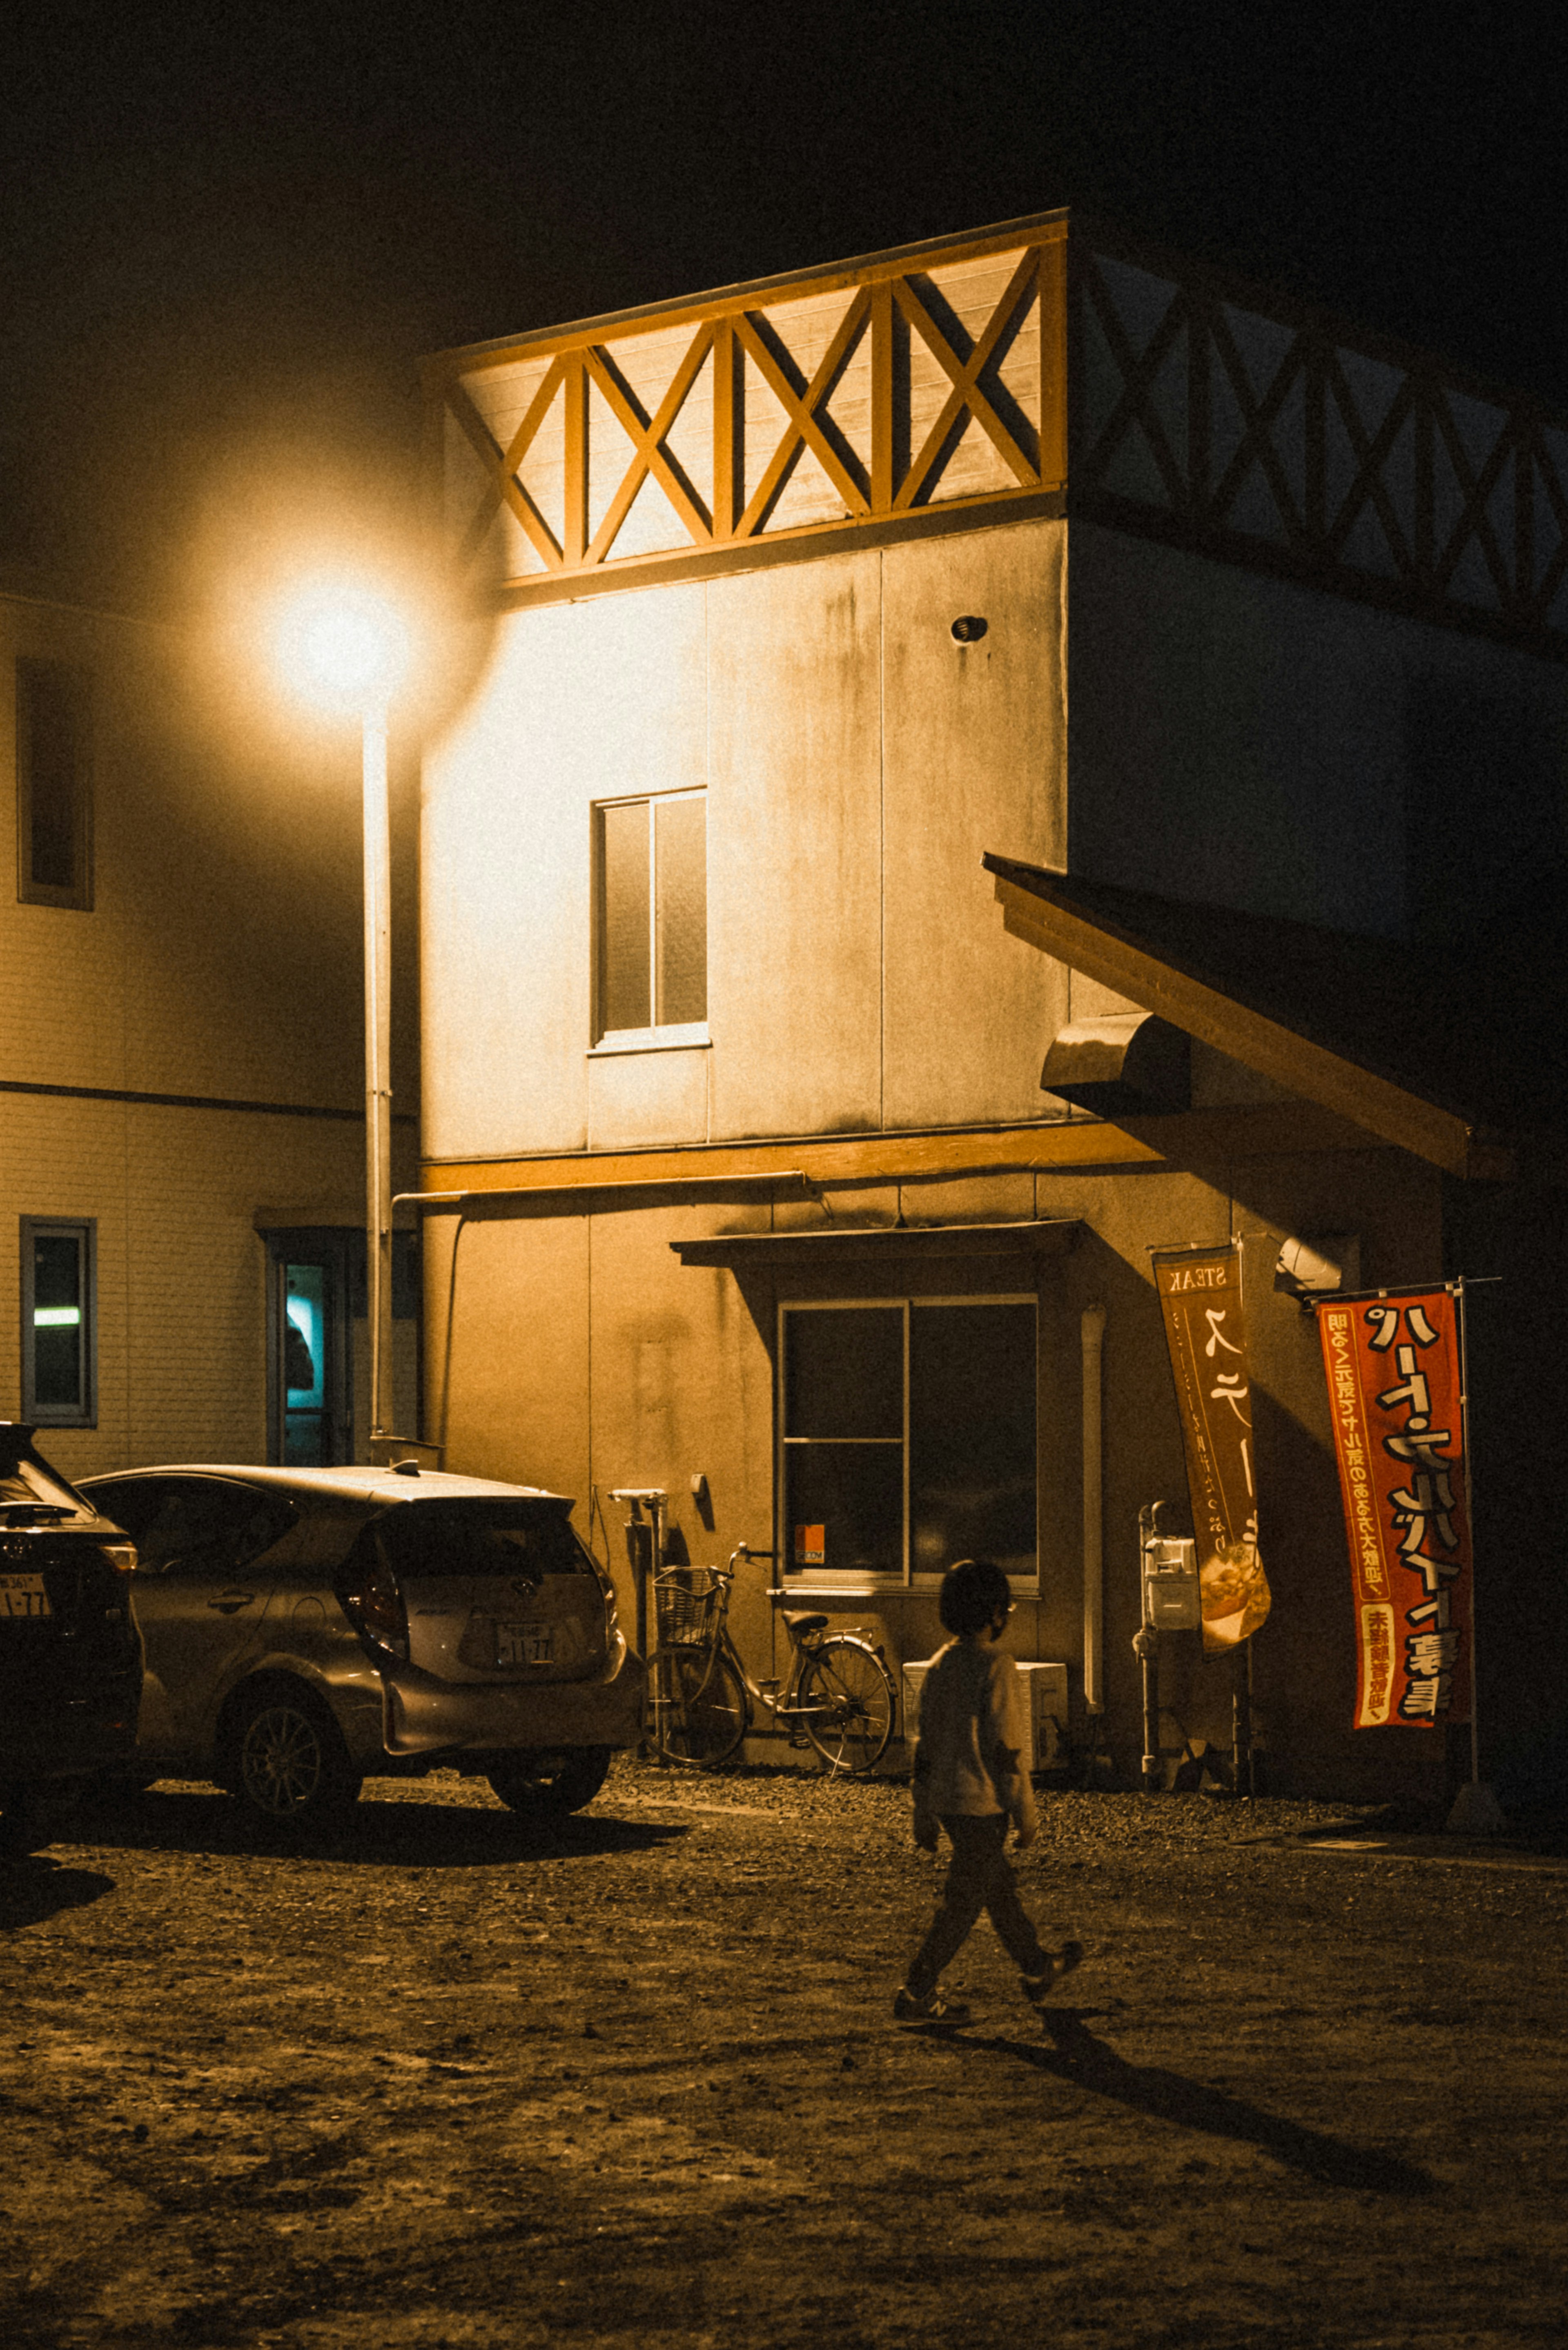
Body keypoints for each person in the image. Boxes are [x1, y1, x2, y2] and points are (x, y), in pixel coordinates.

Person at [895, 1557, 1082, 2024]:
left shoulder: (939, 1665)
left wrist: (923, 1809)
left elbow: (923, 1742)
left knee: (997, 1888)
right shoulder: (995, 1665)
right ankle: (917, 1989)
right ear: (994, 1613)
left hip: (949, 1803)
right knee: (964, 1902)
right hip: (984, 1803)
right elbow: (1006, 1747)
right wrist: (1025, 1809)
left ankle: (1038, 1967)